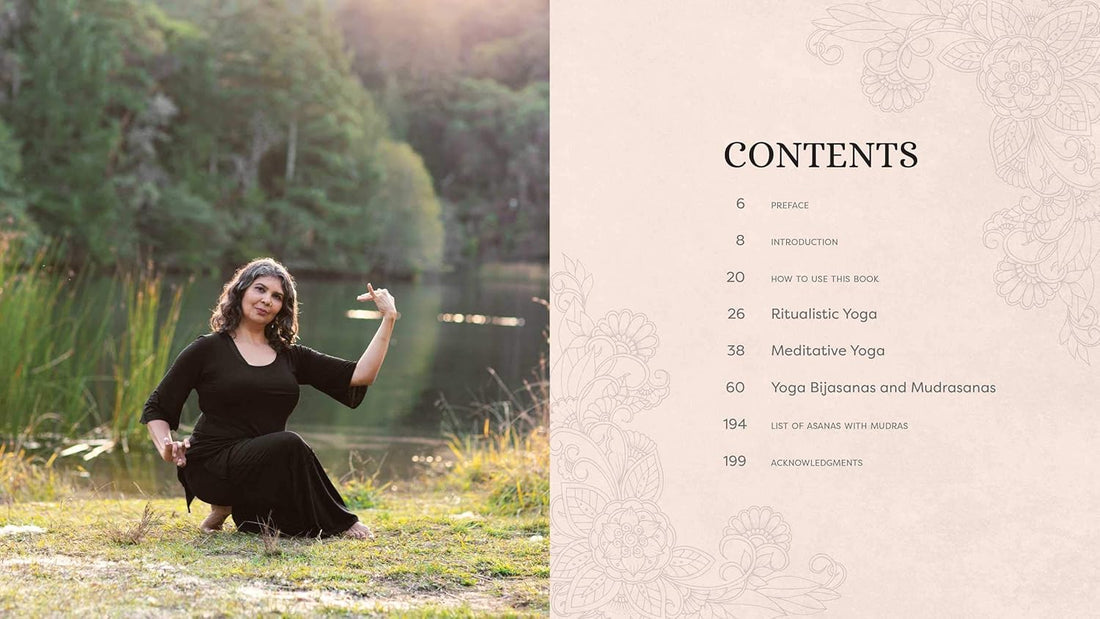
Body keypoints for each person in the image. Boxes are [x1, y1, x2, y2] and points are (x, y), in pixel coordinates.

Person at [140, 257, 397, 539]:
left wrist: (388, 319)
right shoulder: (207, 349)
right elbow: (157, 407)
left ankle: (230, 509)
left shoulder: (290, 356)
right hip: (210, 466)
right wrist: (166, 446)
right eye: (260, 289)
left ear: (282, 308)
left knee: (275, 526)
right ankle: (343, 522)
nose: (267, 300)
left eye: (277, 296)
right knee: (290, 443)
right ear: (241, 291)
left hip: (263, 470)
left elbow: (361, 375)